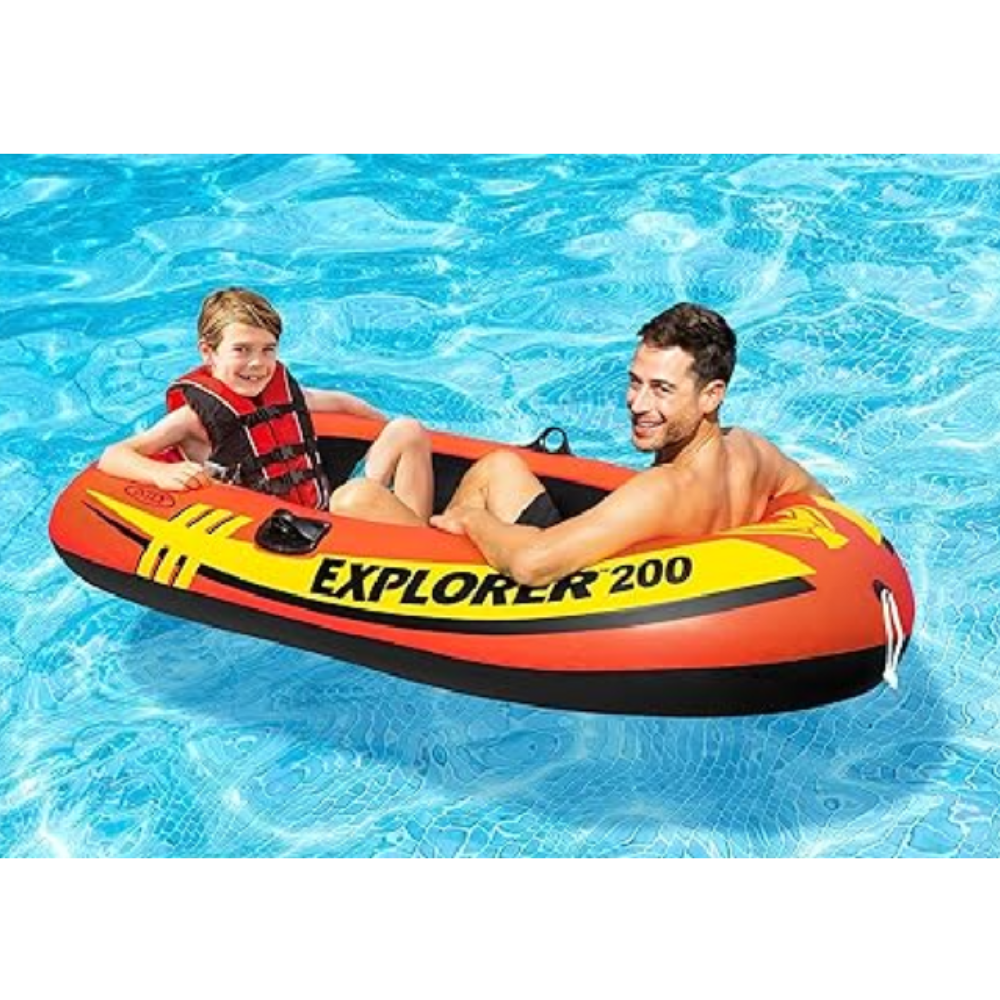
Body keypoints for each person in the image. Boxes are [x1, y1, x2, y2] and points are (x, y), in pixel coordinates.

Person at [431, 302, 832, 586]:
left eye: (661, 389)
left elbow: (532, 564)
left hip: (577, 597)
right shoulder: (753, 451)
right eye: (635, 382)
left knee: (477, 482)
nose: (637, 404)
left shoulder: (665, 488)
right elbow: (823, 505)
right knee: (499, 466)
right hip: (662, 579)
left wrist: (472, 519)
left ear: (711, 395)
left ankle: (427, 555)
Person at [98, 287, 433, 526]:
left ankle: (422, 543)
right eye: (241, 350)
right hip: (283, 535)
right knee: (354, 498)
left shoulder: (284, 395)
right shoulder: (191, 419)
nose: (257, 363)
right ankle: (431, 550)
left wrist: (379, 432)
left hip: (321, 511)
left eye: (267, 349)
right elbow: (114, 455)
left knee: (407, 430)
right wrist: (160, 473)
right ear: (208, 352)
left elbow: (345, 403)